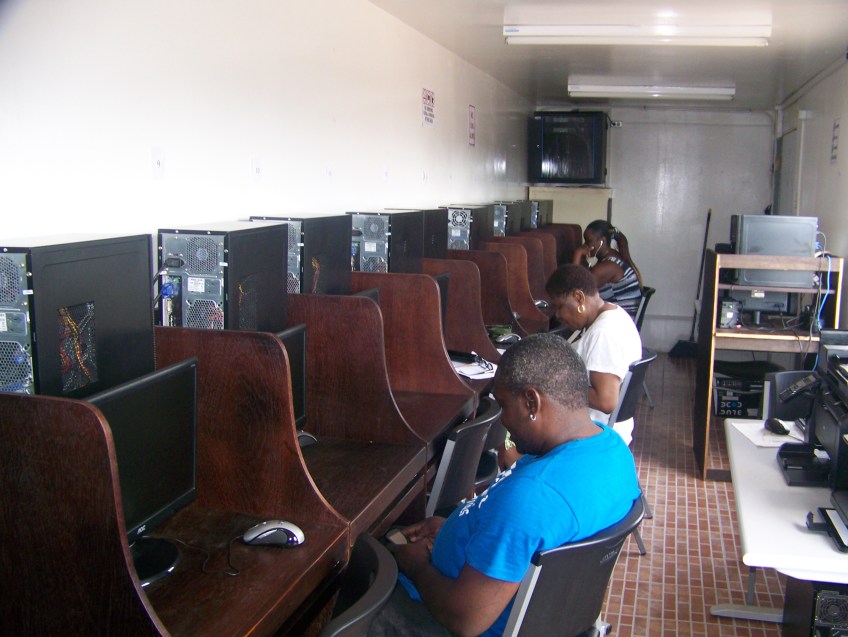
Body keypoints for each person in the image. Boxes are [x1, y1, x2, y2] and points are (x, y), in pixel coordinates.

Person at [368, 334, 641, 637]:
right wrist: (455, 530)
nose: (504, 421)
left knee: (351, 580)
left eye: (504, 405)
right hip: (504, 591)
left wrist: (417, 567)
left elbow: (465, 620)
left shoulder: (534, 496)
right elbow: (522, 535)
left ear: (531, 402)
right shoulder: (613, 450)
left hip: (441, 616)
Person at [546, 264, 643, 445]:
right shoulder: (608, 313)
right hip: (590, 425)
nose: (557, 315)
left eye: (560, 307)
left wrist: (554, 384)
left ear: (579, 297)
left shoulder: (603, 333)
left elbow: (605, 401)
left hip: (597, 432)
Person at [572, 220, 643, 318]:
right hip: (619, 318)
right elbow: (586, 275)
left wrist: (578, 253)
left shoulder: (609, 266)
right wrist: (582, 258)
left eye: (589, 241)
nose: (585, 245)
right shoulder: (612, 257)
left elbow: (576, 291)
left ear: (602, 241)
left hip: (617, 322)